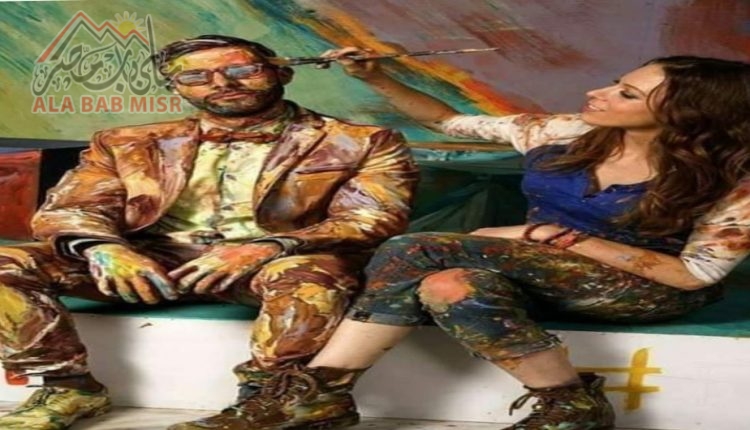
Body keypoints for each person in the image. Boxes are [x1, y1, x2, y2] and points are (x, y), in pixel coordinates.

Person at [168, 48, 750, 430]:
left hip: (645, 288)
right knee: (448, 285)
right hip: (535, 274)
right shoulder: (563, 132)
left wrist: (550, 236)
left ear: (687, 115)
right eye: (617, 82)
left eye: (627, 94)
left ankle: (319, 391)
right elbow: (445, 121)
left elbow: (692, 274)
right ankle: (570, 405)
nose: (600, 92)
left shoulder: (736, 178)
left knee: (417, 248)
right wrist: (375, 77)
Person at [0, 36, 418, 430]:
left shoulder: (363, 141)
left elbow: (372, 217)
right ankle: (66, 388)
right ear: (175, 87)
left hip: (275, 263)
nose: (221, 83)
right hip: (151, 263)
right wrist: (105, 248)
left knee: (308, 277)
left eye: (242, 70)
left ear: (282, 73)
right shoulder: (125, 142)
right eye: (196, 76)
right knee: (6, 263)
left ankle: (275, 401)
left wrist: (267, 247)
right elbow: (72, 208)